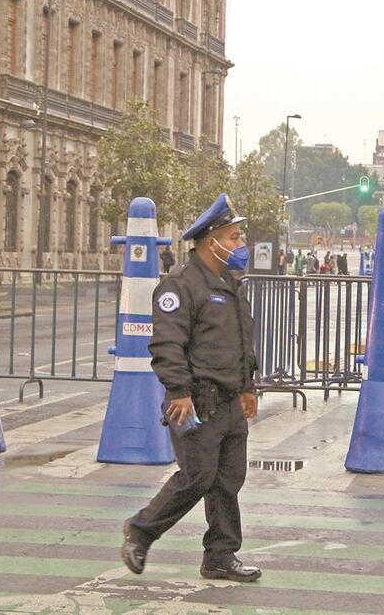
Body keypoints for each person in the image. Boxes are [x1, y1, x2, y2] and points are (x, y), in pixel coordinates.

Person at [121, 192, 261, 583]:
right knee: (197, 476)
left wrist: (247, 386)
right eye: (234, 237)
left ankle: (220, 556)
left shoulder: (229, 282)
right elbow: (166, 344)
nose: (240, 245)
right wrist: (179, 391)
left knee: (228, 481)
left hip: (229, 401)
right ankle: (140, 531)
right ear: (211, 242)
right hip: (196, 400)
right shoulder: (180, 286)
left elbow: (240, 342)